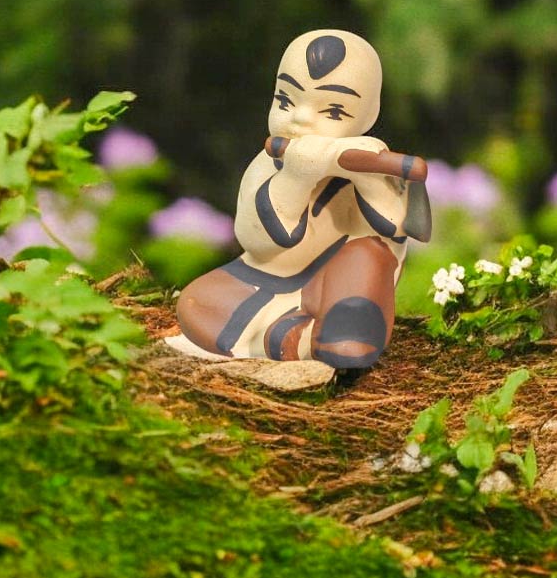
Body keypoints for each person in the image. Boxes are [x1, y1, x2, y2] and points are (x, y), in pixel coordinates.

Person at [172, 29, 429, 369]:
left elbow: (391, 230)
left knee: (367, 256)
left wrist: (365, 177)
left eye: (334, 111)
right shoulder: (267, 165)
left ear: (367, 116)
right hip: (263, 277)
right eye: (286, 101)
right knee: (196, 302)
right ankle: (297, 339)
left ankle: (344, 331)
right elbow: (259, 242)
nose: (301, 118)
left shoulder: (369, 160)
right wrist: (296, 177)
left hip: (336, 282)